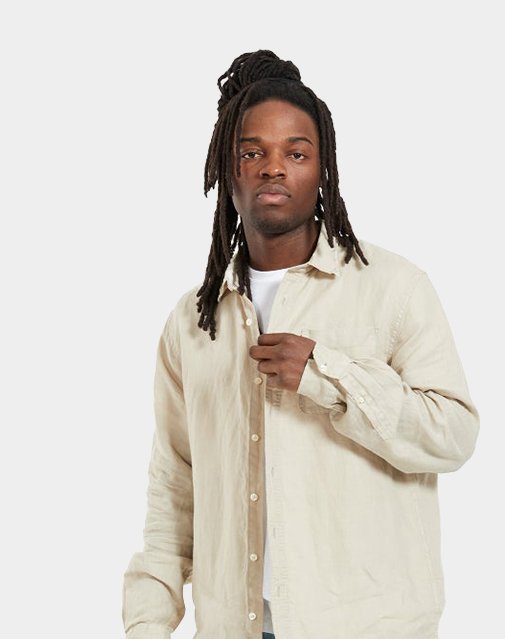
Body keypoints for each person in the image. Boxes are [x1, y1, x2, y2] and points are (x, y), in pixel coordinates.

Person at [122, 49, 480, 639]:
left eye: (296, 153)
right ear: (228, 170)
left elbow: (455, 436)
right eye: (252, 152)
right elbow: (173, 488)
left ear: (322, 168)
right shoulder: (192, 321)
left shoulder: (394, 289)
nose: (273, 168)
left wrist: (327, 376)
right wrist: (146, 625)